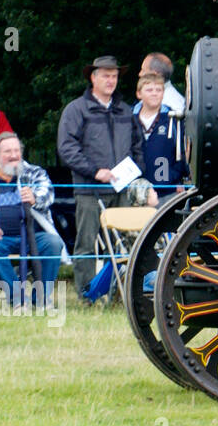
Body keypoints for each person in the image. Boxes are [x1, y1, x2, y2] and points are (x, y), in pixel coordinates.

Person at [57, 55, 156, 297]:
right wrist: (94, 171)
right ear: (93, 78)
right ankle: (88, 294)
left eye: (114, 76)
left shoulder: (125, 111)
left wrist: (133, 171)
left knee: (129, 242)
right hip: (88, 190)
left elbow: (137, 147)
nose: (111, 80)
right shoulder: (75, 110)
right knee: (86, 245)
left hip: (122, 190)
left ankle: (129, 293)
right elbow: (67, 148)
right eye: (105, 75)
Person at [0, 132, 63, 305]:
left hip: (33, 236)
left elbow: (48, 193)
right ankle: (17, 297)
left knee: (54, 243)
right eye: (8, 151)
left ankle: (39, 299)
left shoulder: (34, 173)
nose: (14, 156)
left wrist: (35, 198)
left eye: (17, 151)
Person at [135, 72, 188, 198]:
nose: (154, 93)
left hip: (167, 191)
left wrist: (174, 177)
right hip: (137, 190)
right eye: (149, 90)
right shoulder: (129, 121)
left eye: (158, 90)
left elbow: (184, 153)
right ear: (139, 94)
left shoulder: (174, 120)